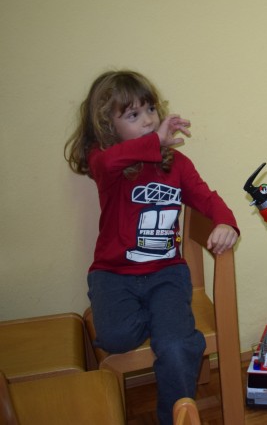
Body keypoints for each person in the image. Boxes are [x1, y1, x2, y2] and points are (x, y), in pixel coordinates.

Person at [64, 70, 239, 425]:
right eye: (133, 115)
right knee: (115, 337)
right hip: (113, 274)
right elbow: (106, 161)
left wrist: (226, 222)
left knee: (175, 346)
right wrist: (154, 142)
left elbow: (206, 198)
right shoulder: (106, 164)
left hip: (166, 274)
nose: (147, 120)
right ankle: (171, 326)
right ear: (109, 127)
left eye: (150, 110)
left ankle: (176, 413)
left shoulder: (178, 165)